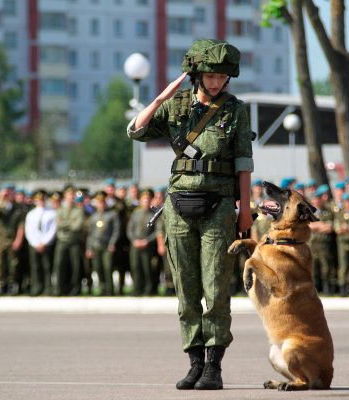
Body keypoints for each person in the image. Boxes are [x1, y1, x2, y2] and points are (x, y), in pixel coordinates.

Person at [127, 38, 253, 390]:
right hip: (179, 205)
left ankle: (214, 367)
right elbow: (136, 131)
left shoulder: (235, 109)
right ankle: (194, 362)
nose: (216, 82)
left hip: (220, 204)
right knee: (186, 288)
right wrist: (159, 99)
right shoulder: (176, 105)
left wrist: (245, 210)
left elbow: (244, 163)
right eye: (210, 75)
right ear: (197, 74)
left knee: (215, 287)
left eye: (222, 77)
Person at [85, 191, 119, 296]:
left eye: (103, 202)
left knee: (108, 268)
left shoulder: (112, 214)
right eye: (99, 202)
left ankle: (110, 290)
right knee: (98, 268)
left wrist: (112, 243)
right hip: (96, 246)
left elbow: (116, 230)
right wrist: (89, 248)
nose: (101, 204)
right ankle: (102, 288)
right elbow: (90, 234)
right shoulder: (93, 216)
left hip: (107, 246)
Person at [25, 190, 57, 296]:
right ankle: (37, 287)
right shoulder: (31, 214)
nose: (40, 202)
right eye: (38, 200)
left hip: (46, 244)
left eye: (42, 199)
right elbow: (28, 230)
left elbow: (52, 230)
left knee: (47, 266)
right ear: (35, 201)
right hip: (34, 244)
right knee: (35, 267)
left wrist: (44, 242)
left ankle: (48, 287)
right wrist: (35, 243)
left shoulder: (52, 213)